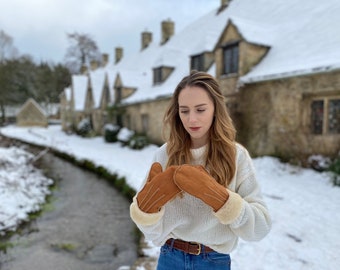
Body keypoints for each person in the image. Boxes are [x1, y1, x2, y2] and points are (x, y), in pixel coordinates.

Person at [130, 70, 271, 270]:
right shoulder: (164, 155)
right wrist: (146, 212)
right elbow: (152, 233)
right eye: (184, 110)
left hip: (214, 261)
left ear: (215, 108)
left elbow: (260, 228)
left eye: (200, 109)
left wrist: (222, 200)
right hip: (170, 257)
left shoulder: (235, 156)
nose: (191, 119)